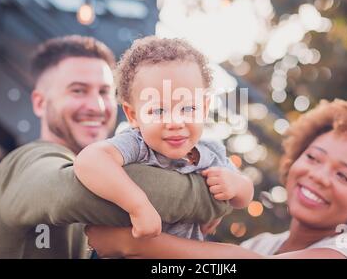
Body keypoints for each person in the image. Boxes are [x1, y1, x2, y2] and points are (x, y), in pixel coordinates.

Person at [0, 35, 231, 259]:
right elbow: (73, 191)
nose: (97, 106)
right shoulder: (29, 162)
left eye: (104, 92)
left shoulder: (116, 169)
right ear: (39, 103)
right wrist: (216, 196)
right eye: (78, 91)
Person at [85, 93, 347, 259]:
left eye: (344, 177)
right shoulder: (264, 244)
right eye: (314, 158)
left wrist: (133, 241)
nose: (319, 176)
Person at [74, 36, 254, 241]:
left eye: (188, 108)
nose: (176, 122)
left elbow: (245, 196)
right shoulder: (137, 144)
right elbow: (89, 161)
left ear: (203, 108)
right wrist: (137, 205)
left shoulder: (210, 152)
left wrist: (236, 185)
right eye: (159, 110)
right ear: (133, 116)